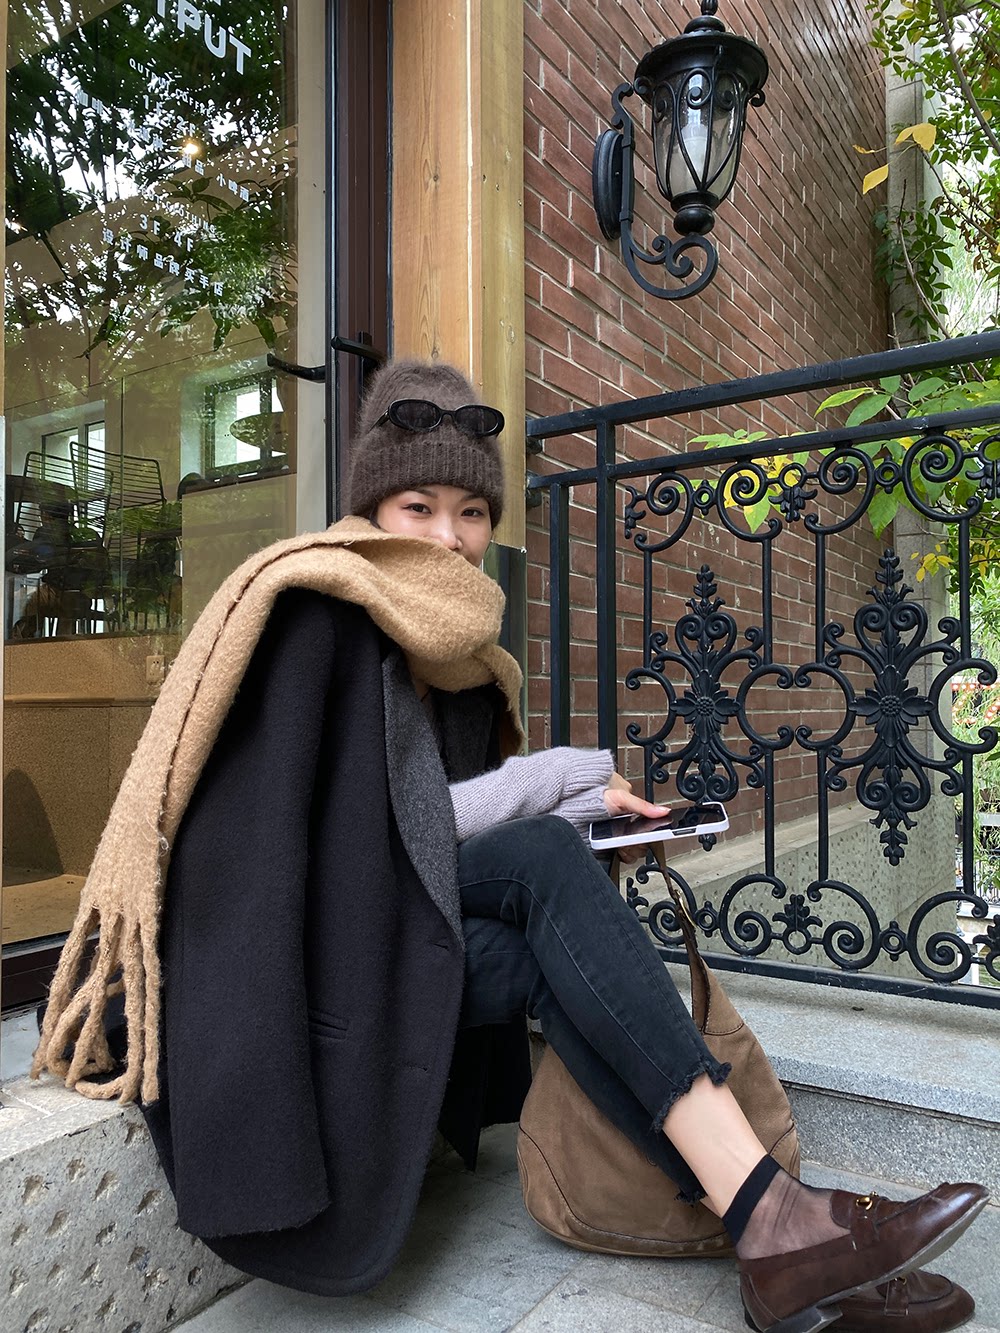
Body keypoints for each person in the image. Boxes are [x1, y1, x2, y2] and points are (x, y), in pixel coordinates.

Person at [33, 360, 986, 1333]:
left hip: (386, 935)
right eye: (418, 506)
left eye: (472, 513)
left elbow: (432, 836)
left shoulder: (455, 658)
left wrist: (588, 812)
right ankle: (779, 1221)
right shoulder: (313, 611)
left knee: (546, 940)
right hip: (291, 960)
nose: (449, 536)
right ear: (370, 510)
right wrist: (559, 782)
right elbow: (357, 842)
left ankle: (765, 1226)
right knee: (540, 855)